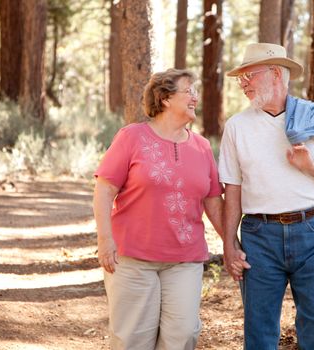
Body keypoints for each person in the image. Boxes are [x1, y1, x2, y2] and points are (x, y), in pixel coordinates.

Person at [218, 43, 314, 349]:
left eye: (249, 75)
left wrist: (312, 167)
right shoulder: (236, 127)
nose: (243, 83)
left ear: (276, 74)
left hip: (313, 233)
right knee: (259, 329)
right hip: (259, 236)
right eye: (240, 78)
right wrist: (229, 245)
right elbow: (233, 189)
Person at [93, 68, 223, 350]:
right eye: (189, 91)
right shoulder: (132, 137)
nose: (195, 98)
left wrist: (231, 244)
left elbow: (213, 200)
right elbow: (104, 189)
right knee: (132, 340)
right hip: (133, 259)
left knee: (184, 334)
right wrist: (105, 239)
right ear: (165, 99)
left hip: (184, 259)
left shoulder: (201, 147)